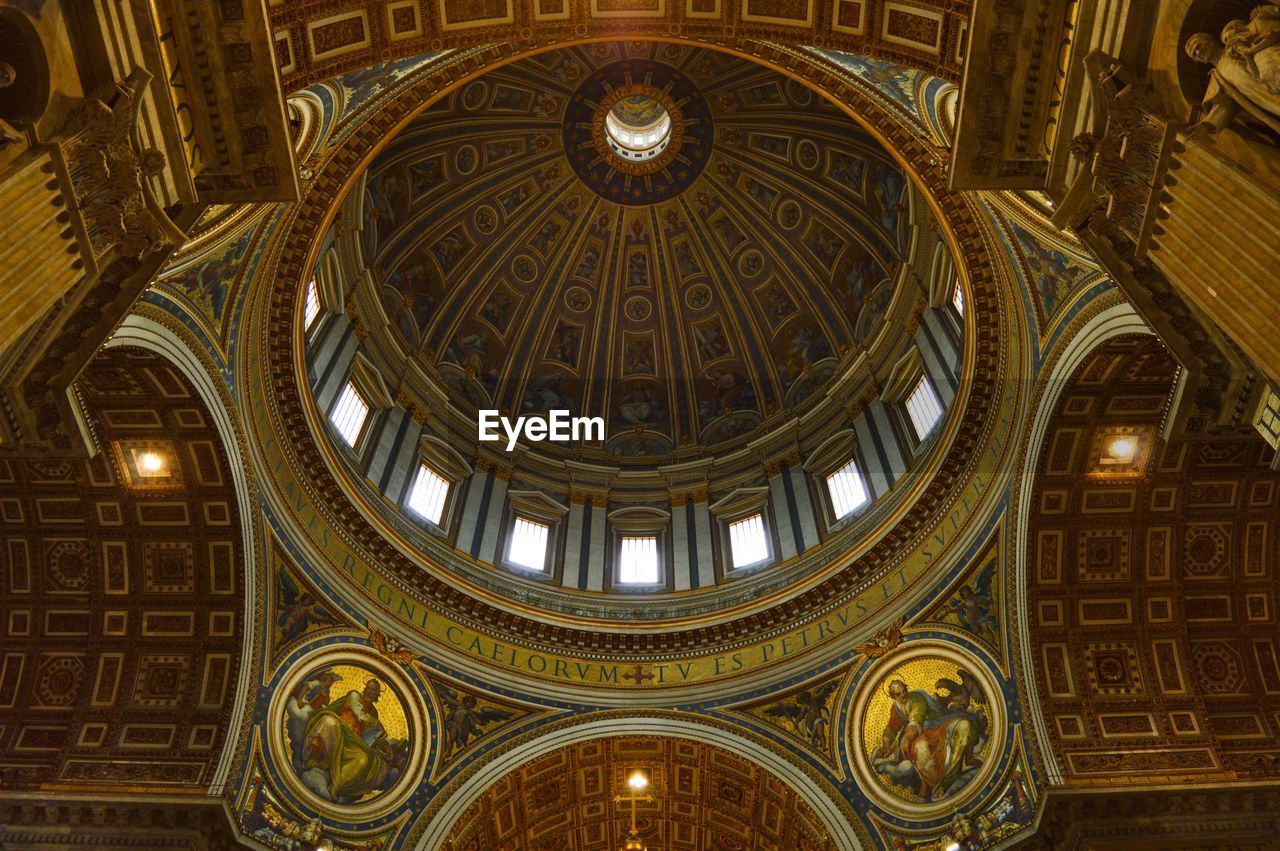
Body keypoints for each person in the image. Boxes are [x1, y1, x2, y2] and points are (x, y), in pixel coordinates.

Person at [1185, 30, 1280, 138]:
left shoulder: (1235, 43)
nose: (1198, 52)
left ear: (1210, 40)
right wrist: (1206, 125)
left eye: (1198, 46)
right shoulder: (1218, 77)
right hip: (1267, 99)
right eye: (1194, 54)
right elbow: (1226, 104)